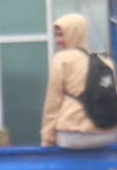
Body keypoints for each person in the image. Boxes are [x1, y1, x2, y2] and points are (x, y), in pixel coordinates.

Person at [37, 8, 101, 142]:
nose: (57, 40)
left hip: (72, 136)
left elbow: (53, 102)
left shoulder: (62, 59)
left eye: (62, 35)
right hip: (105, 135)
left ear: (74, 33)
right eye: (56, 35)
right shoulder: (103, 61)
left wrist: (46, 138)